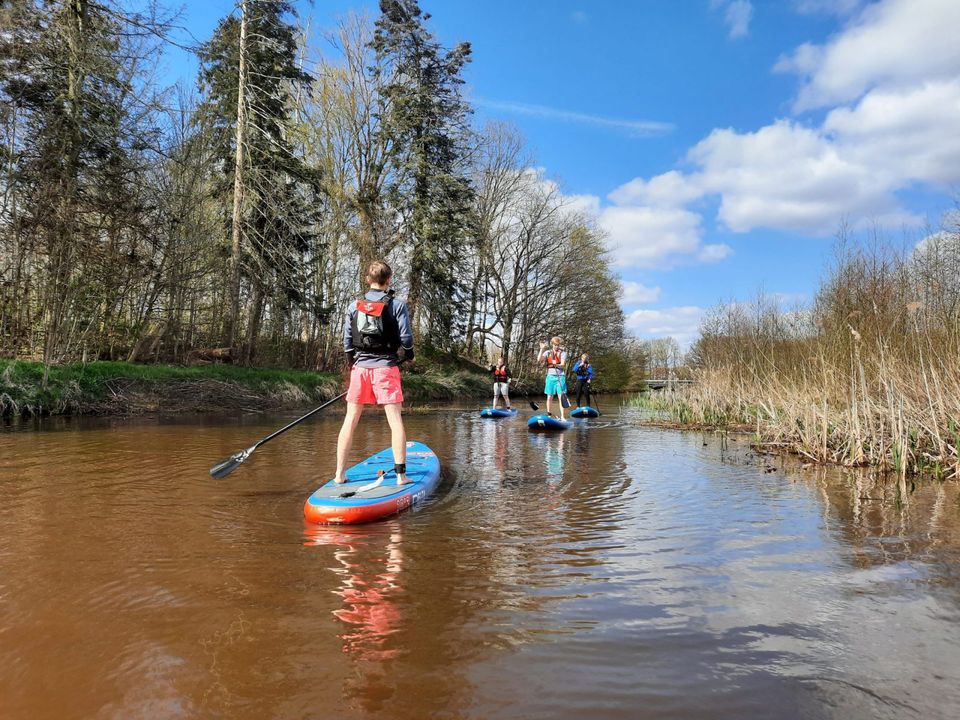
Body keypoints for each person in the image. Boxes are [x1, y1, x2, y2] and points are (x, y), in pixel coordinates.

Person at [334, 260, 414, 486]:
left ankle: (339, 474)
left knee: (350, 420)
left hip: (360, 369)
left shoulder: (353, 306)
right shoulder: (397, 304)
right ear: (388, 280)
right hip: (386, 368)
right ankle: (401, 476)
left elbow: (348, 343)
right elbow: (406, 339)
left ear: (368, 280)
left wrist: (353, 364)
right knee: (395, 420)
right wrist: (409, 354)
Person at [537, 336, 568, 420]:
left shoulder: (563, 353)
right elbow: (539, 360)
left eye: (558, 345)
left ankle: (562, 417)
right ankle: (549, 415)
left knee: (561, 397)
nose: (556, 346)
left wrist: (555, 364)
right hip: (550, 376)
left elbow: (562, 364)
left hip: (560, 377)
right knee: (549, 397)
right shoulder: (547, 352)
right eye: (555, 345)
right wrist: (541, 349)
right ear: (552, 344)